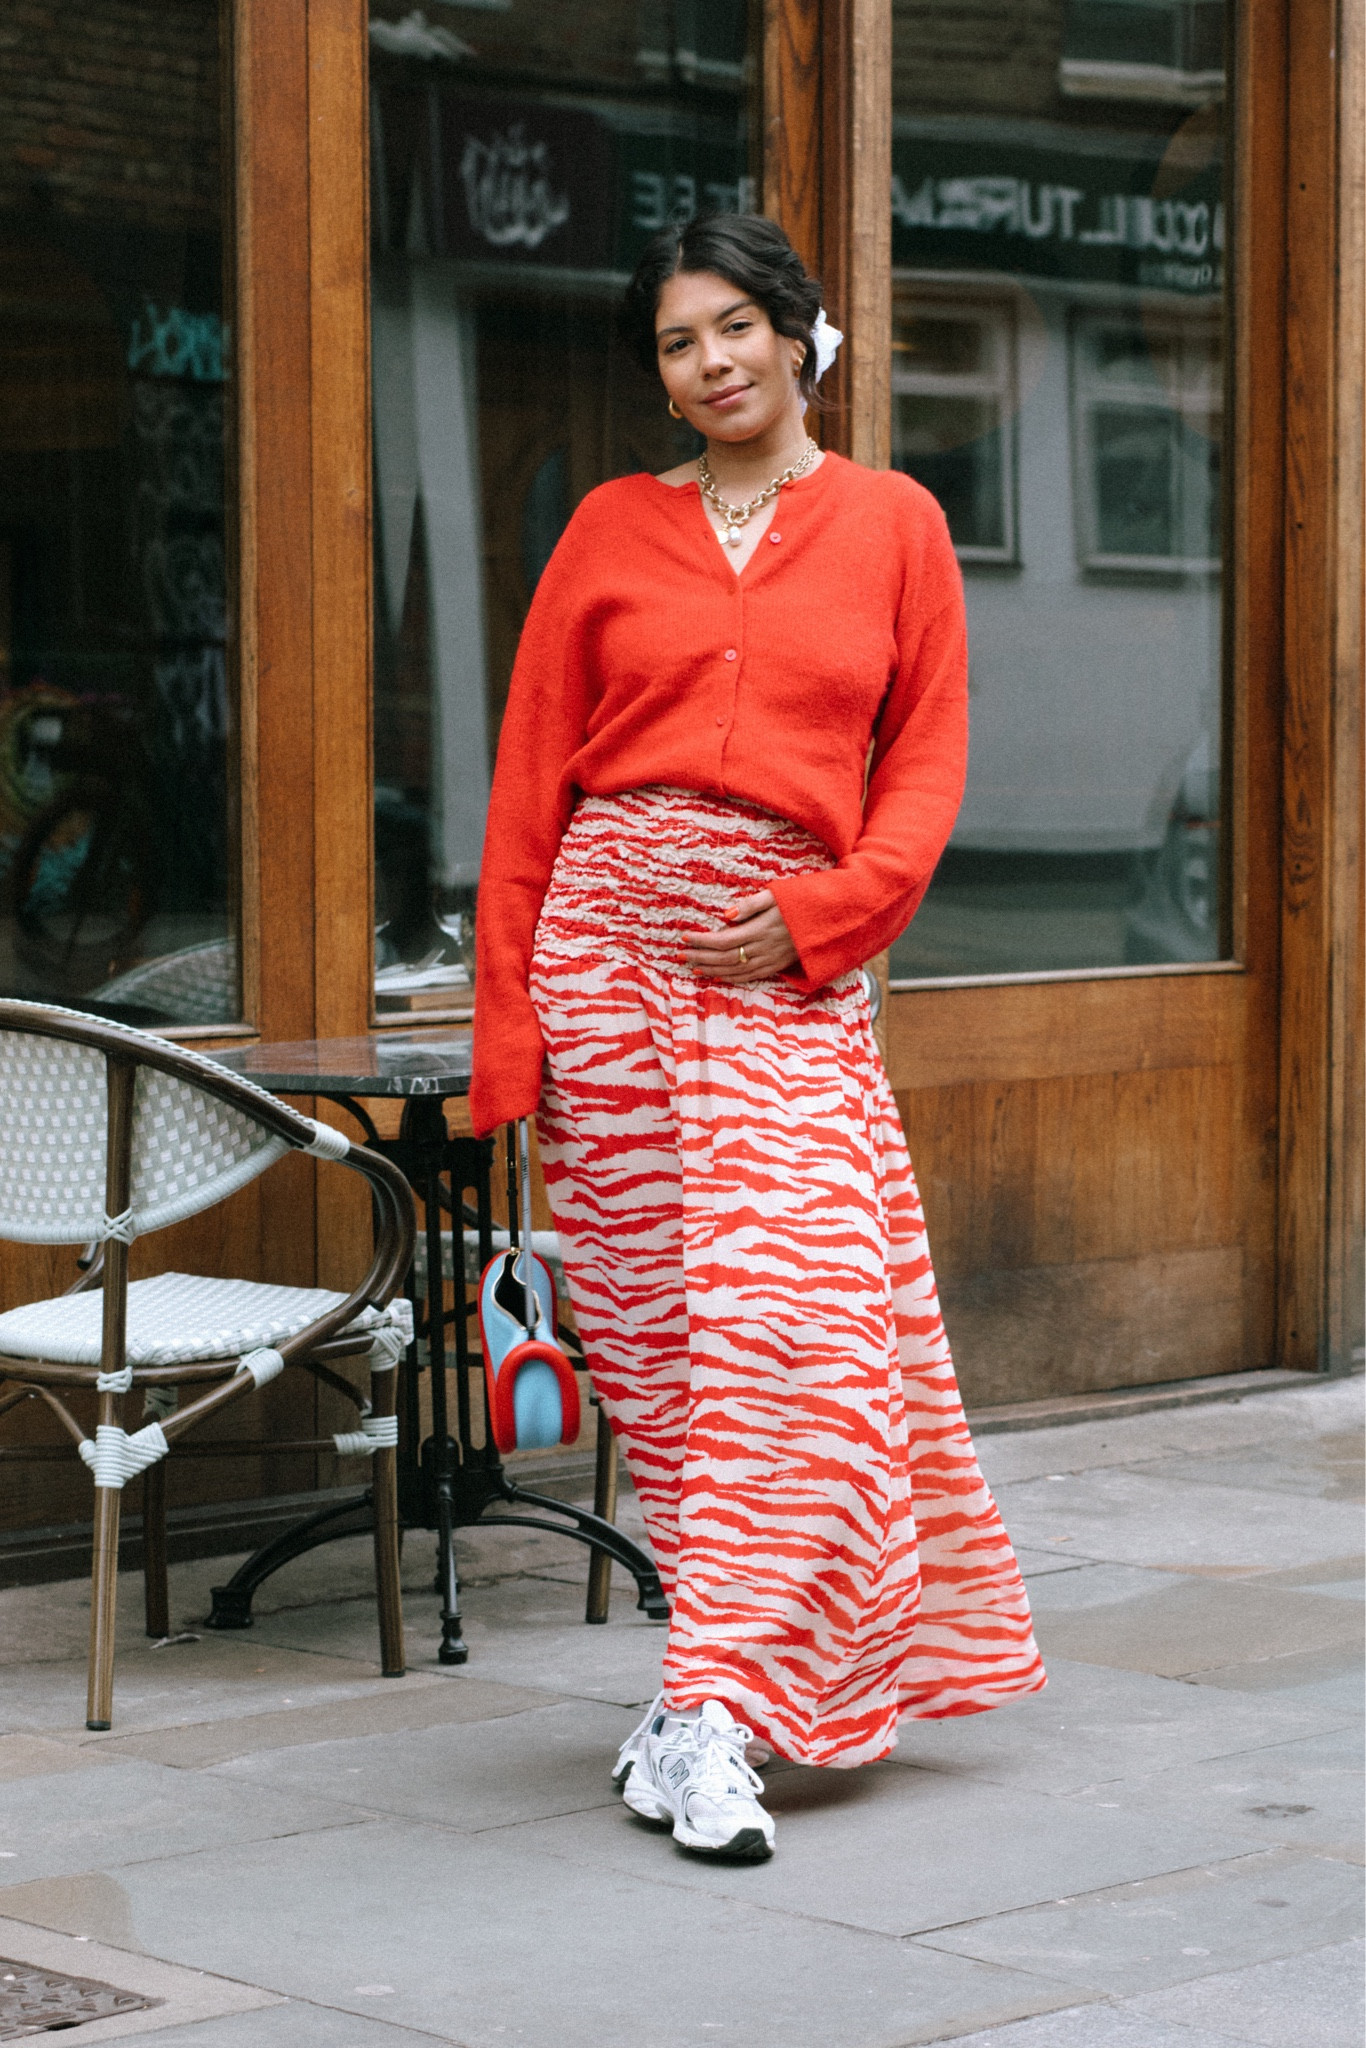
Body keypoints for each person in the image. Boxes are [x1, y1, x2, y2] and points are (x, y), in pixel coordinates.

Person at [471, 213, 1044, 1863]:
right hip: (605, 965)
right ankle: (706, 1709)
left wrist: (826, 913)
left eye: (734, 326)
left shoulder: (894, 522)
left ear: (796, 334)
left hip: (783, 982)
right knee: (670, 1365)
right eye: (677, 342)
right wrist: (511, 1034)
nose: (711, 361)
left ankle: (701, 1711)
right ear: (657, 375)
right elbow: (529, 780)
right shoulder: (607, 526)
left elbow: (924, 758)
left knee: (804, 1343)